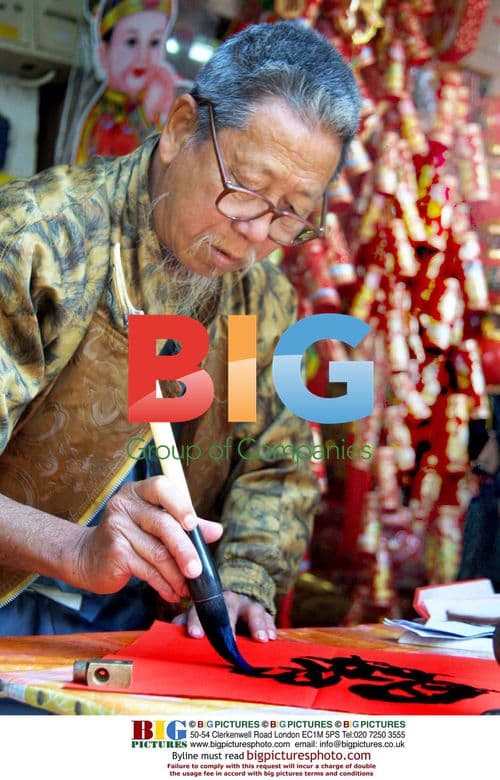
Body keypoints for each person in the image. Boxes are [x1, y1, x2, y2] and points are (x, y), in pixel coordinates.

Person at [0, 21, 360, 640]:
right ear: (180, 128)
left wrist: (244, 577)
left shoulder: (255, 298)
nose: (256, 232)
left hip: (144, 630)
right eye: (246, 189)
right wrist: (76, 550)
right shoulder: (36, 244)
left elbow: (271, 460)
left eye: (292, 212)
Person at [75, 0, 177, 163]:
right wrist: (146, 116)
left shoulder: (158, 96)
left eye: (154, 42)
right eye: (131, 42)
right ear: (103, 53)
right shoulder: (104, 120)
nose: (143, 57)